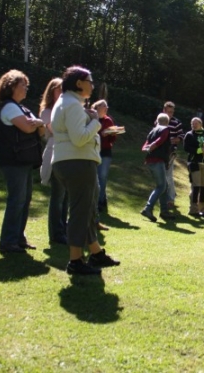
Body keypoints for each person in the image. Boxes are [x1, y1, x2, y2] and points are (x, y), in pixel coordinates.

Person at [51, 66, 120, 275]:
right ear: (79, 83)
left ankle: (95, 252)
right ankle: (75, 261)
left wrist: (89, 117)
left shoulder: (70, 103)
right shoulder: (71, 104)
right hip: (77, 162)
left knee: (88, 209)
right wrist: (96, 122)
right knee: (81, 211)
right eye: (90, 81)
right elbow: (80, 138)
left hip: (71, 161)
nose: (92, 85)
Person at [0, 69, 45, 254]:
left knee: (25, 199)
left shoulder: (22, 108)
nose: (26, 88)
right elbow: (28, 127)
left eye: (26, 85)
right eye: (22, 84)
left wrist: (37, 124)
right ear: (11, 86)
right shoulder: (9, 107)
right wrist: (37, 123)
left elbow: (40, 130)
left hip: (23, 160)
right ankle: (7, 242)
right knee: (17, 200)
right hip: (13, 160)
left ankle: (18, 238)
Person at [39, 77, 68, 245]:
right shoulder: (47, 111)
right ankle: (56, 234)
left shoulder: (65, 109)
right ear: (52, 92)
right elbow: (55, 130)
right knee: (58, 196)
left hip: (67, 155)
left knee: (66, 197)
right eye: (59, 89)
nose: (62, 93)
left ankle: (63, 229)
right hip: (55, 154)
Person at [92, 99, 124, 231]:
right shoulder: (91, 117)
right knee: (95, 177)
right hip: (92, 151)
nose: (106, 108)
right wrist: (101, 133)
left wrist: (111, 133)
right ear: (97, 107)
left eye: (106, 106)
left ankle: (100, 203)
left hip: (105, 152)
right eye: (104, 106)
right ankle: (100, 201)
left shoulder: (108, 120)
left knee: (103, 176)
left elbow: (113, 139)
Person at [140, 113, 174, 222]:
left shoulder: (152, 131)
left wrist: (148, 148)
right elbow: (161, 140)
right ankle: (148, 208)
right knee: (161, 186)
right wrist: (153, 146)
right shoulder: (165, 129)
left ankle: (164, 211)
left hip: (150, 160)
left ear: (157, 120)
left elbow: (144, 147)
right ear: (167, 122)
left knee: (165, 185)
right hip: (157, 160)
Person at [183, 117, 204, 218]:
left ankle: (202, 209)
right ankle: (193, 209)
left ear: (201, 124)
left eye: (196, 123)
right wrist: (199, 150)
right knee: (196, 186)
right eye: (192, 123)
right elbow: (186, 148)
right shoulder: (189, 135)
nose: (194, 125)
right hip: (194, 163)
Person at [162, 101, 184, 209]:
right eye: (168, 112)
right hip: (161, 152)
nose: (170, 114)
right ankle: (171, 194)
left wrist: (178, 139)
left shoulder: (176, 122)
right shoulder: (160, 121)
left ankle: (170, 199)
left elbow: (181, 135)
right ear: (164, 110)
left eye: (172, 112)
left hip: (171, 151)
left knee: (168, 175)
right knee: (164, 175)